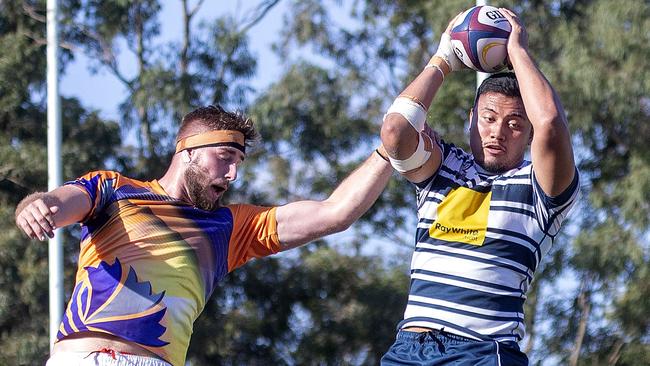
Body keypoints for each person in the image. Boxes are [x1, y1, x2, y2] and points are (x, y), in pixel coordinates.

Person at [15, 104, 393, 366]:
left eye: (239, 162)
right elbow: (55, 203)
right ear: (188, 151)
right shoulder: (114, 189)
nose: (232, 175)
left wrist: (389, 150)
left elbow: (335, 213)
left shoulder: (231, 228)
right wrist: (33, 205)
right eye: (225, 157)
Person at [379, 8, 579, 365]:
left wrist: (517, 52)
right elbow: (395, 132)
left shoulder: (540, 189)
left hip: (483, 353)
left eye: (515, 124)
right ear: (471, 120)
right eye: (488, 118)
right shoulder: (442, 167)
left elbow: (549, 121)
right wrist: (443, 58)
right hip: (409, 348)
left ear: (528, 134)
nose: (497, 132)